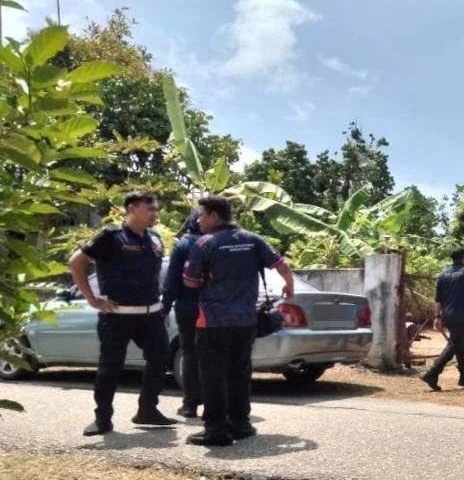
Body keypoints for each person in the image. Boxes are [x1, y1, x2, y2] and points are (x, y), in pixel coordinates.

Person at [182, 195, 295, 446]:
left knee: (213, 375)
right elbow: (282, 266)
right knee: (239, 373)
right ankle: (241, 423)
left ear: (213, 215)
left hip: (213, 321)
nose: (198, 220)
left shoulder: (205, 243)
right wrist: (289, 286)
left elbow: (190, 281)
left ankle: (215, 430)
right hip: (246, 321)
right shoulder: (252, 239)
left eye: (201, 215)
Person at [68, 191, 177, 436]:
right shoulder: (111, 237)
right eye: (150, 209)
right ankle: (103, 419)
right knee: (110, 368)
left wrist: (161, 309)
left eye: (156, 209)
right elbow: (76, 262)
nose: (155, 214)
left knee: (160, 359)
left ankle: (147, 410)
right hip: (117, 316)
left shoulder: (155, 239)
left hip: (151, 316)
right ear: (131, 209)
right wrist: (92, 299)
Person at [420, 248, 464, 391]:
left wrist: (437, 317)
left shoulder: (443, 275)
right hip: (460, 315)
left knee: (460, 344)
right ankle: (432, 373)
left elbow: (438, 299)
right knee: (453, 345)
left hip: (447, 315)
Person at [161, 211, 202, 419]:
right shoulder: (221, 241)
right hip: (216, 308)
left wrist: (165, 308)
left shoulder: (184, 245)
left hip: (188, 306)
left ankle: (190, 404)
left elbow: (172, 281)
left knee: (190, 353)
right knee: (217, 354)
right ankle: (221, 403)